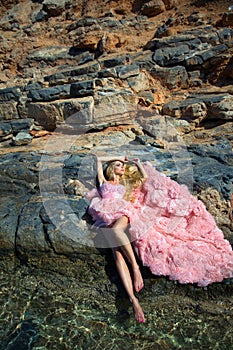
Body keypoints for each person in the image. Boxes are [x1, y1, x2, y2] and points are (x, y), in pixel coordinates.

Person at [87, 156, 233, 322]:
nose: (121, 167)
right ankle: (134, 301)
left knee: (116, 230)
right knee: (117, 257)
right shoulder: (103, 180)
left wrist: (136, 163)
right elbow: (99, 160)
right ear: (111, 168)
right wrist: (117, 158)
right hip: (104, 215)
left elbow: (144, 178)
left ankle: (135, 267)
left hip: (122, 212)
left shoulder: (124, 183)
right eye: (118, 166)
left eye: (122, 165)